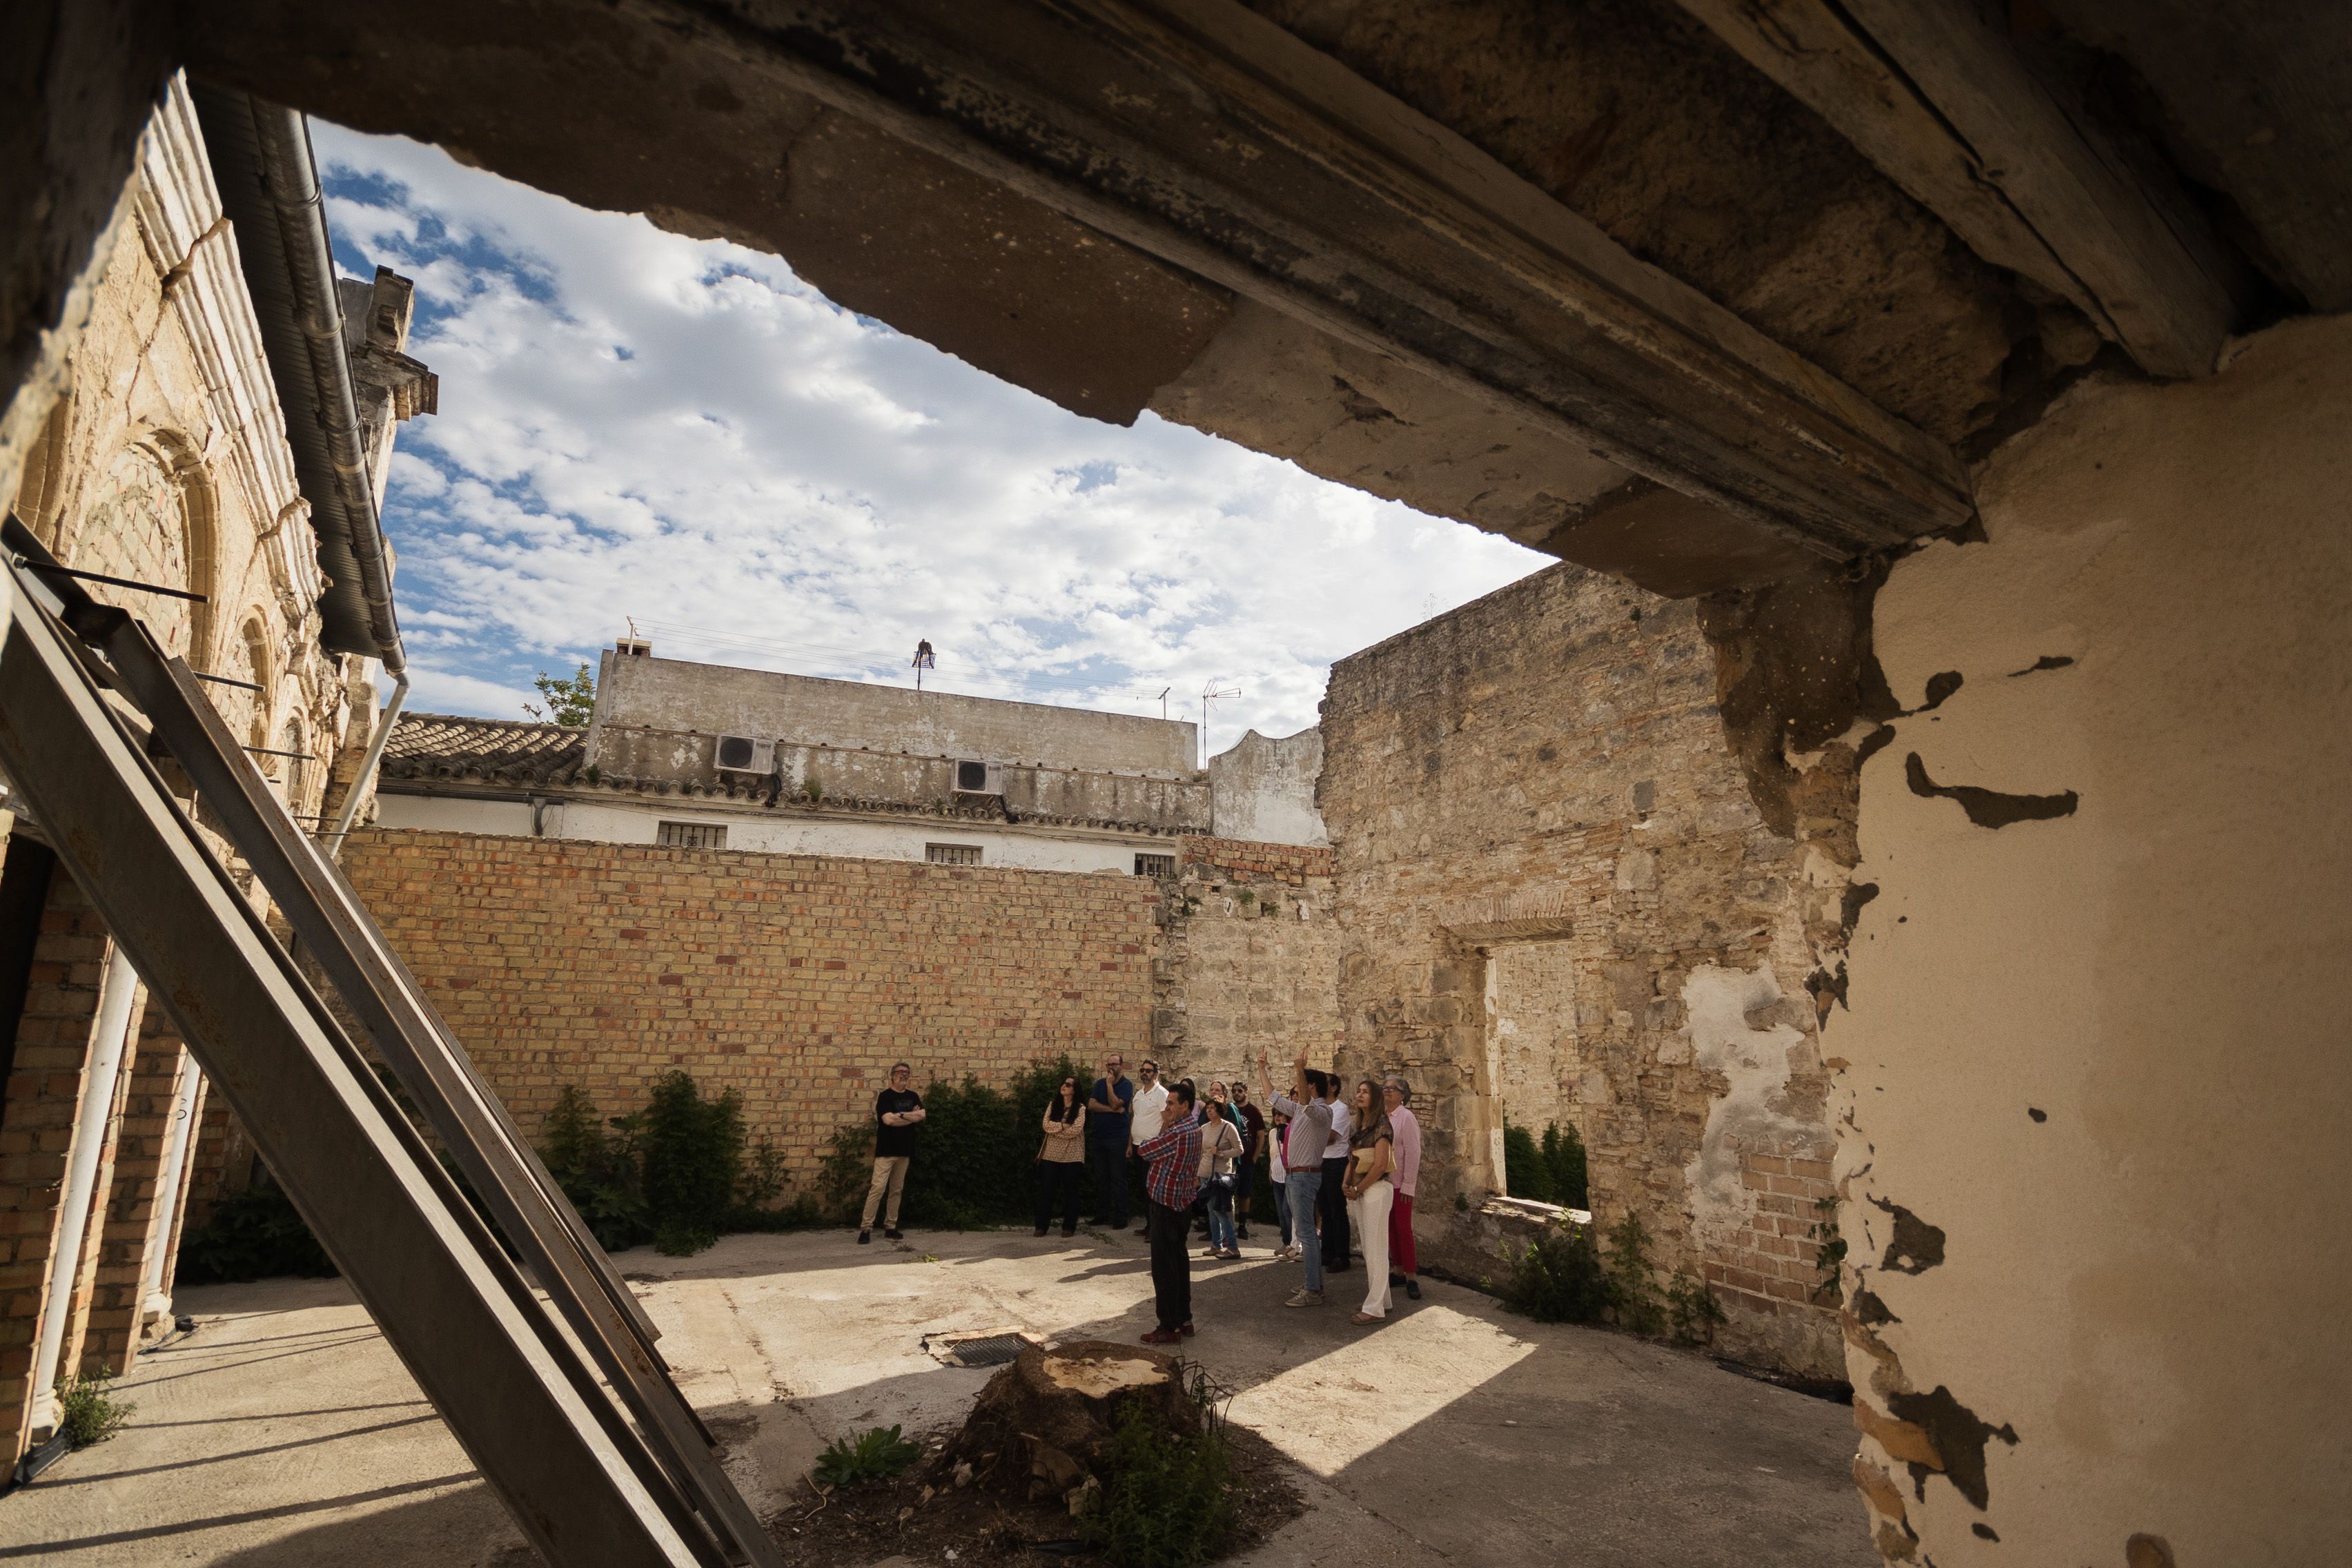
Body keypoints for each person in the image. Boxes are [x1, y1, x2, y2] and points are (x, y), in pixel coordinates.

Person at [1259, 1046, 1334, 1306]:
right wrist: (1261, 1069)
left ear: (1311, 1086)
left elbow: (1303, 1101)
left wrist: (1300, 1069)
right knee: (1305, 1233)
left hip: (1304, 1177)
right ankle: (1313, 1283)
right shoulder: (1302, 1111)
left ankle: (1313, 1291)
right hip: (1295, 1177)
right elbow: (1274, 1099)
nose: (1297, 1087)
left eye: (1301, 1082)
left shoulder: (1322, 1112)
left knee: (1307, 1234)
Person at [1135, 1082, 1204, 1344]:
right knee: (1179, 1263)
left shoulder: (1176, 1133)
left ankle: (1168, 1326)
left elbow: (1144, 1150)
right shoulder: (1194, 1129)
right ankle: (1184, 1319)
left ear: (1185, 1105)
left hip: (1165, 1206)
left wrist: (1163, 1125)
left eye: (1171, 1104)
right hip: (1182, 1204)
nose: (1167, 1109)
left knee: (1164, 1268)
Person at [1340, 1079, 1395, 1324]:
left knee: (1376, 1249)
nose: (1360, 1095)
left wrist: (1358, 1188)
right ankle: (1382, 1301)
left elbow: (1381, 1164)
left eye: (1365, 1092)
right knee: (1370, 1249)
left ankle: (1374, 1309)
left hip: (1376, 1190)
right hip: (1362, 1191)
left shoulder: (1382, 1124)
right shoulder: (1360, 1126)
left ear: (1375, 1098)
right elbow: (1352, 1160)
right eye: (1358, 1091)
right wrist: (1347, 1184)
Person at [859, 1061, 925, 1244]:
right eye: (900, 1072)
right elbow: (888, 1120)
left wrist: (901, 1116)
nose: (903, 1075)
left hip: (905, 1150)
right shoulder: (885, 1097)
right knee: (877, 1188)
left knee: (896, 1190)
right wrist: (908, 1116)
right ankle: (866, 1228)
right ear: (892, 1075)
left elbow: (922, 1115)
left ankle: (891, 1227)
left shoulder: (913, 1096)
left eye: (906, 1072)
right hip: (886, 1151)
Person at [1384, 1076, 1422, 1300]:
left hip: (1400, 1185)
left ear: (1403, 1095)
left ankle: (1411, 1277)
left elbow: (1413, 1151)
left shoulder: (1406, 1118)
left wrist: (1409, 1184)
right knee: (1390, 1228)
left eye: (1393, 1088)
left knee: (1403, 1229)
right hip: (1385, 1183)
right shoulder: (1382, 1116)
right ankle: (1397, 1270)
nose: (1388, 1091)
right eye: (1385, 1087)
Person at [1035, 1075, 1088, 1237]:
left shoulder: (1080, 1109)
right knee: (1047, 1191)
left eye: (1068, 1085)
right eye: (1063, 1083)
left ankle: (1069, 1227)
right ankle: (1041, 1226)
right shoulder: (1054, 1105)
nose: (1064, 1086)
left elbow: (1076, 1130)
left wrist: (1057, 1130)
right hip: (1051, 1154)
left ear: (1074, 1090)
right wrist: (1063, 1126)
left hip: (1072, 1155)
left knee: (1071, 1192)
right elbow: (1046, 1125)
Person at [1087, 1054, 1133, 1231]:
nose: (1111, 1067)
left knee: (1118, 1178)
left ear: (1122, 1066)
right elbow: (1092, 1105)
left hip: (1117, 1137)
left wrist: (1109, 1085)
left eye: (1114, 1064)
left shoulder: (1126, 1085)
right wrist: (1113, 1111)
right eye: (1109, 1064)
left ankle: (1121, 1216)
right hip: (1099, 1136)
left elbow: (1116, 1103)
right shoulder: (1099, 1083)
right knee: (1102, 1178)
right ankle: (1102, 1214)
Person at [1199, 1082, 1244, 1260]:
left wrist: (1223, 1153)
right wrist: (1196, 1173)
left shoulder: (1228, 1128)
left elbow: (1239, 1149)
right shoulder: (1204, 1129)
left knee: (1220, 1210)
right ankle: (1216, 1245)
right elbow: (1200, 1152)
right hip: (1205, 1174)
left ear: (1220, 1109)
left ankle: (1233, 1247)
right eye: (1208, 1108)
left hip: (1220, 1175)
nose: (1209, 1111)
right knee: (1211, 1210)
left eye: (1212, 1108)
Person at [1125, 1060, 1169, 1232]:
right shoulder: (1139, 1094)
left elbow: (1166, 1120)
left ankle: (1156, 1228)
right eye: (1142, 1070)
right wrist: (1130, 1144)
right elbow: (1134, 1120)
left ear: (1156, 1074)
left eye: (1149, 1071)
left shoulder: (1162, 1094)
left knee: (1153, 1188)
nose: (1144, 1073)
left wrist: (1158, 1143)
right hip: (1137, 1146)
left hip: (1153, 1149)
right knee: (1144, 1187)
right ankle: (1149, 1224)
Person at [1319, 1068, 1353, 1273]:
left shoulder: (1340, 1109)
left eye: (1325, 1083)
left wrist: (1313, 1135)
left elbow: (1330, 1136)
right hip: (1321, 1161)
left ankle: (1342, 1255)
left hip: (1336, 1162)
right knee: (1324, 1209)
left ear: (1333, 1088)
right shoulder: (1321, 1107)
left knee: (1337, 1210)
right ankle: (1327, 1252)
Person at [1231, 1081, 1265, 1245]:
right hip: (1231, 1158)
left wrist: (1255, 1157)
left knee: (1244, 1193)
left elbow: (1261, 1136)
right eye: (1234, 1091)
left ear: (1246, 1092)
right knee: (1227, 1192)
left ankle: (1242, 1225)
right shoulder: (1230, 1110)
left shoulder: (1254, 1112)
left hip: (1247, 1159)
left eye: (1239, 1091)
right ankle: (1228, 1225)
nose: (1236, 1093)